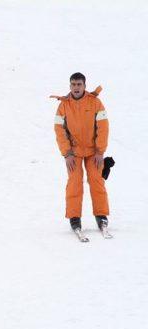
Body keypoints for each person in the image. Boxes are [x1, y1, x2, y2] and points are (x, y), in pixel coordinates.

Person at [53, 72, 110, 232]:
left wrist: (100, 151)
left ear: (85, 86)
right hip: (74, 153)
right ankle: (74, 218)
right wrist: (67, 153)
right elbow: (59, 130)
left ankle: (101, 216)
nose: (76, 87)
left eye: (79, 84)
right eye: (73, 84)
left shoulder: (95, 103)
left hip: (94, 152)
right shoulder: (63, 105)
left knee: (96, 180)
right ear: (70, 86)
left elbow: (103, 127)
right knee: (74, 183)